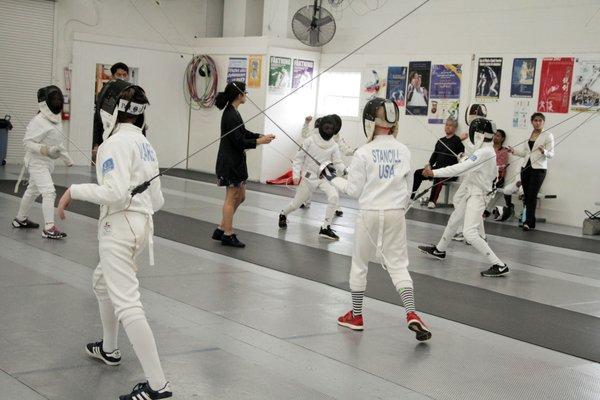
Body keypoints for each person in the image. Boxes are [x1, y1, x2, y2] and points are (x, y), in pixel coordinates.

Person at [57, 81, 172, 399]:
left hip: (118, 230)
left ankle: (158, 385)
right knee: (102, 283)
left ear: (109, 110)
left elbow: (115, 194)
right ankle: (109, 349)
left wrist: (72, 191)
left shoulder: (114, 145)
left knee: (127, 303)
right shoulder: (145, 144)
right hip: (140, 226)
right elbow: (157, 200)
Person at [326, 97, 431, 341]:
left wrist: (331, 178)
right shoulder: (404, 150)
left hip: (370, 214)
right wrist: (398, 206)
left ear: (370, 122)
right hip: (396, 214)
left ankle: (357, 315)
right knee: (398, 265)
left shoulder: (364, 152)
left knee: (360, 264)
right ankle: (411, 312)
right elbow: (408, 187)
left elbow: (353, 190)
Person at [418, 117, 509, 277]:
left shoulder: (484, 153)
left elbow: (459, 169)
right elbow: (472, 160)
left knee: (469, 233)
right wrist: (465, 156)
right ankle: (440, 250)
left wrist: (434, 172)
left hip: (478, 195)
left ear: (479, 134)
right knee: (454, 220)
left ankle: (499, 265)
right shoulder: (485, 150)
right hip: (471, 192)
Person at [212, 81, 275, 247]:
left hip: (236, 162)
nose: (246, 95)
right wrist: (259, 141)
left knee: (241, 196)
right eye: (245, 93)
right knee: (231, 197)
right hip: (229, 163)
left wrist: (260, 136)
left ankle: (221, 228)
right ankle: (227, 233)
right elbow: (239, 142)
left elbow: (243, 132)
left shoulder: (234, 112)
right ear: (239, 95)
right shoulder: (230, 115)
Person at [12, 85, 72, 239]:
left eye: (59, 98)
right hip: (37, 162)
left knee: (33, 190)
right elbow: (27, 143)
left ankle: (20, 219)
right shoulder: (38, 121)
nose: (57, 101)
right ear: (46, 102)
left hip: (48, 163)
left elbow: (58, 142)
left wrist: (66, 158)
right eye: (54, 99)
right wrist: (46, 150)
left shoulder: (56, 119)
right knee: (49, 192)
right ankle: (49, 228)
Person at [278, 115, 346, 240]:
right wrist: (296, 175)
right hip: (309, 177)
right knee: (296, 205)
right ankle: (283, 214)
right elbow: (298, 159)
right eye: (326, 128)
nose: (328, 130)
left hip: (324, 177)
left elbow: (338, 162)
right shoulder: (310, 140)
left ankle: (325, 228)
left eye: (331, 128)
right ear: (321, 127)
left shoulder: (334, 145)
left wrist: (346, 170)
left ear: (334, 130)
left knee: (334, 197)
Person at [508, 112, 554, 231]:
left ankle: (528, 222)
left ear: (543, 122)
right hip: (526, 167)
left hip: (539, 169)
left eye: (540, 121)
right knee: (527, 196)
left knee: (532, 196)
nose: (537, 123)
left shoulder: (548, 135)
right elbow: (525, 153)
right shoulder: (528, 134)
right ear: (532, 122)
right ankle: (530, 222)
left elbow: (551, 154)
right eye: (535, 120)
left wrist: (544, 152)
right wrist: (514, 151)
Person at [411, 118, 464, 208]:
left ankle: (432, 201)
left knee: (438, 175)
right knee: (417, 173)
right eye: (446, 125)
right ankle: (411, 197)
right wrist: (428, 167)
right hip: (437, 169)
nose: (447, 127)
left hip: (450, 172)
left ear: (455, 128)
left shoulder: (458, 141)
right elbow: (434, 156)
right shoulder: (440, 141)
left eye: (450, 125)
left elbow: (461, 158)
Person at [93, 62, 130, 160]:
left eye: (124, 75)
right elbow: (98, 118)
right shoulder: (106, 93)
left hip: (125, 138)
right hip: (108, 136)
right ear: (113, 76)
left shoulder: (132, 93)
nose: (122, 78)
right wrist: (96, 143)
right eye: (118, 75)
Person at [484, 128, 513, 217]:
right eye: (495, 135)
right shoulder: (488, 149)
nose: (495, 137)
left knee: (494, 189)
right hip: (486, 175)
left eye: (498, 136)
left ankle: (486, 211)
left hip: (498, 177)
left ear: (502, 139)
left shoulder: (504, 151)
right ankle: (481, 209)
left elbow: (500, 167)